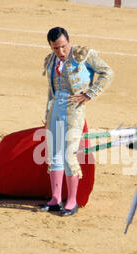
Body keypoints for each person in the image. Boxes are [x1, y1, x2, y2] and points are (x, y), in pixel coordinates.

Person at [39, 26, 113, 216]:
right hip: (55, 108)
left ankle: (72, 201)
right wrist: (48, 110)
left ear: (69, 41)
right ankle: (55, 199)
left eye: (63, 47)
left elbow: (107, 72)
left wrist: (89, 94)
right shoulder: (51, 60)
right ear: (50, 46)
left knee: (69, 155)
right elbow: (51, 89)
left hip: (74, 109)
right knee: (54, 154)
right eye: (55, 48)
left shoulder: (84, 55)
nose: (61, 52)